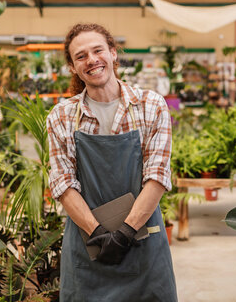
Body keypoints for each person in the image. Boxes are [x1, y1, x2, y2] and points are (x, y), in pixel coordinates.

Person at [47, 23, 177, 301]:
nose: (91, 60)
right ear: (72, 67)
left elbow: (157, 177)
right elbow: (63, 184)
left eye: (98, 50)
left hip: (143, 244)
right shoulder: (62, 116)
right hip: (88, 245)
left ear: (114, 53)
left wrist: (126, 232)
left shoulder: (151, 106)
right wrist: (97, 232)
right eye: (80, 56)